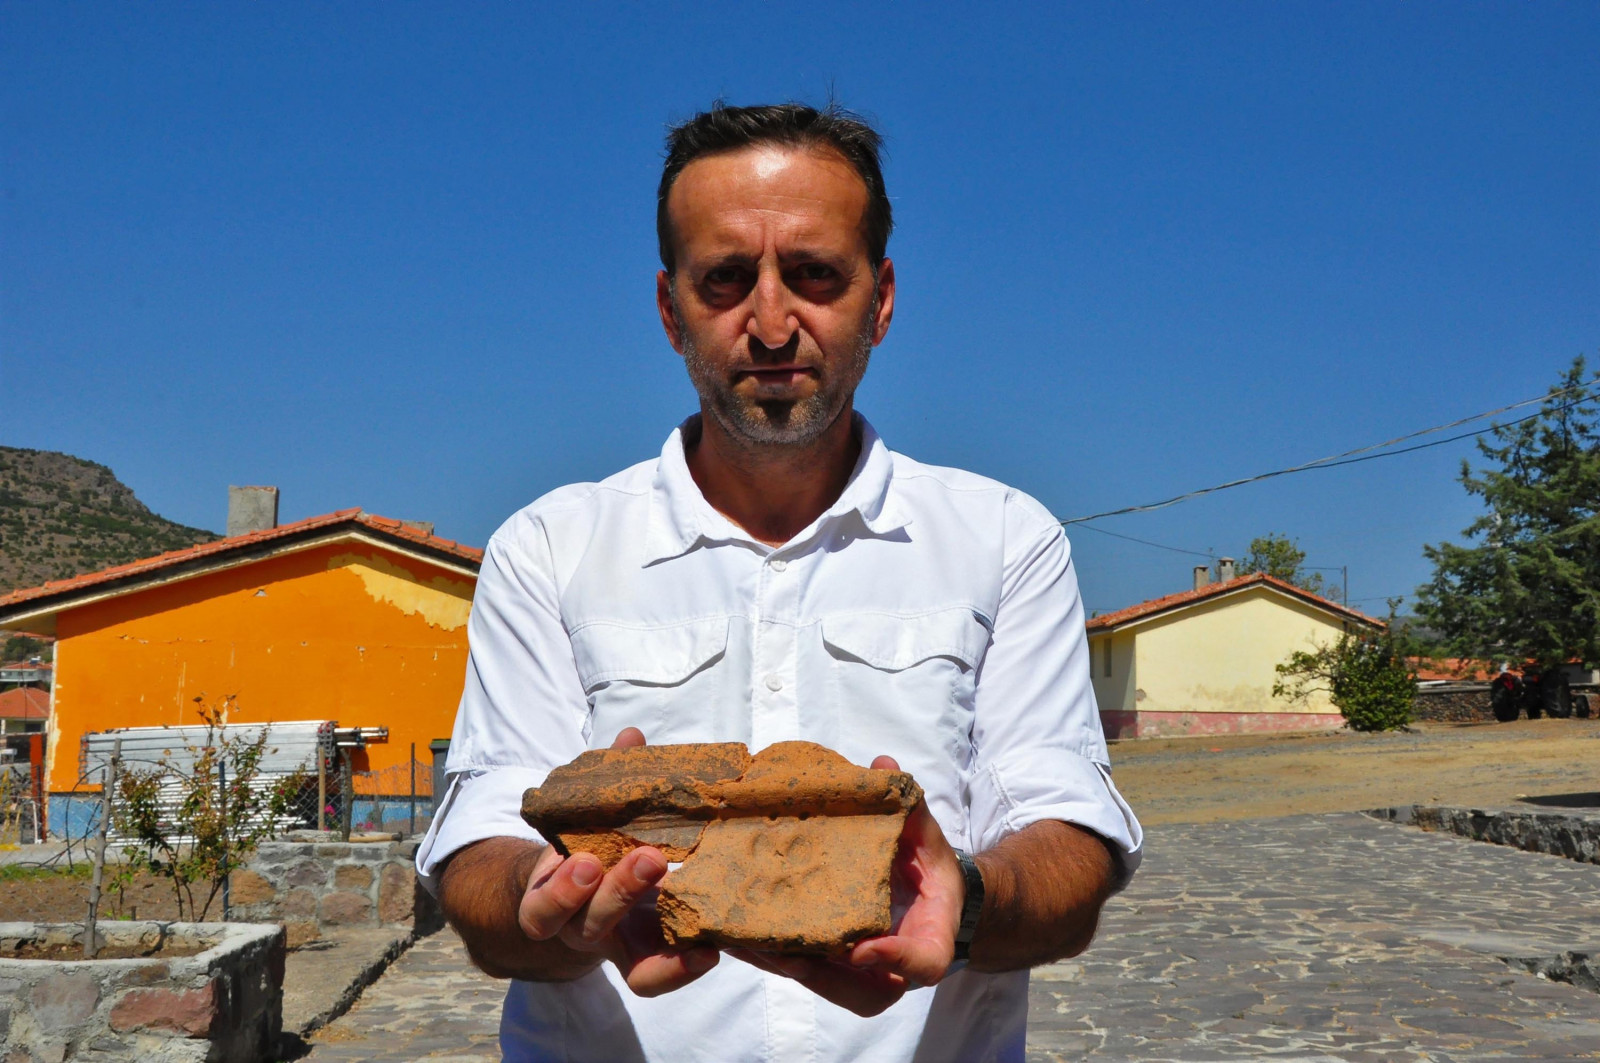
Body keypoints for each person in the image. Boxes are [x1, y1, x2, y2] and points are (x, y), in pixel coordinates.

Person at [416, 101, 1143, 1062]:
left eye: (814, 274)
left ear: (881, 300)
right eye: (725, 278)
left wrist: (961, 900)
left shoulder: (1005, 540)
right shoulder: (548, 548)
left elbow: (1066, 840)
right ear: (670, 310)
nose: (769, 322)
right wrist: (547, 904)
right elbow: (480, 852)